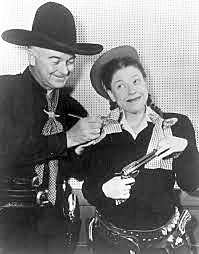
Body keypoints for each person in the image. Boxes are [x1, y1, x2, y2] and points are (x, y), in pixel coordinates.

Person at [0, 2, 103, 254]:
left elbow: (77, 171)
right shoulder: (5, 92)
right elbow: (9, 154)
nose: (65, 70)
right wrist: (68, 138)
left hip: (59, 223)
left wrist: (82, 151)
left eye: (70, 61)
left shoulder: (71, 107)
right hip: (11, 225)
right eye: (55, 60)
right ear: (31, 54)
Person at [80, 46, 199, 254]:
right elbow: (89, 190)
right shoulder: (99, 132)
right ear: (110, 94)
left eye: (136, 81)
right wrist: (104, 191)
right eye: (120, 86)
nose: (131, 90)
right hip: (111, 244)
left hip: (165, 245)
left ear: (146, 82)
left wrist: (185, 148)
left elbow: (191, 183)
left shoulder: (177, 125)